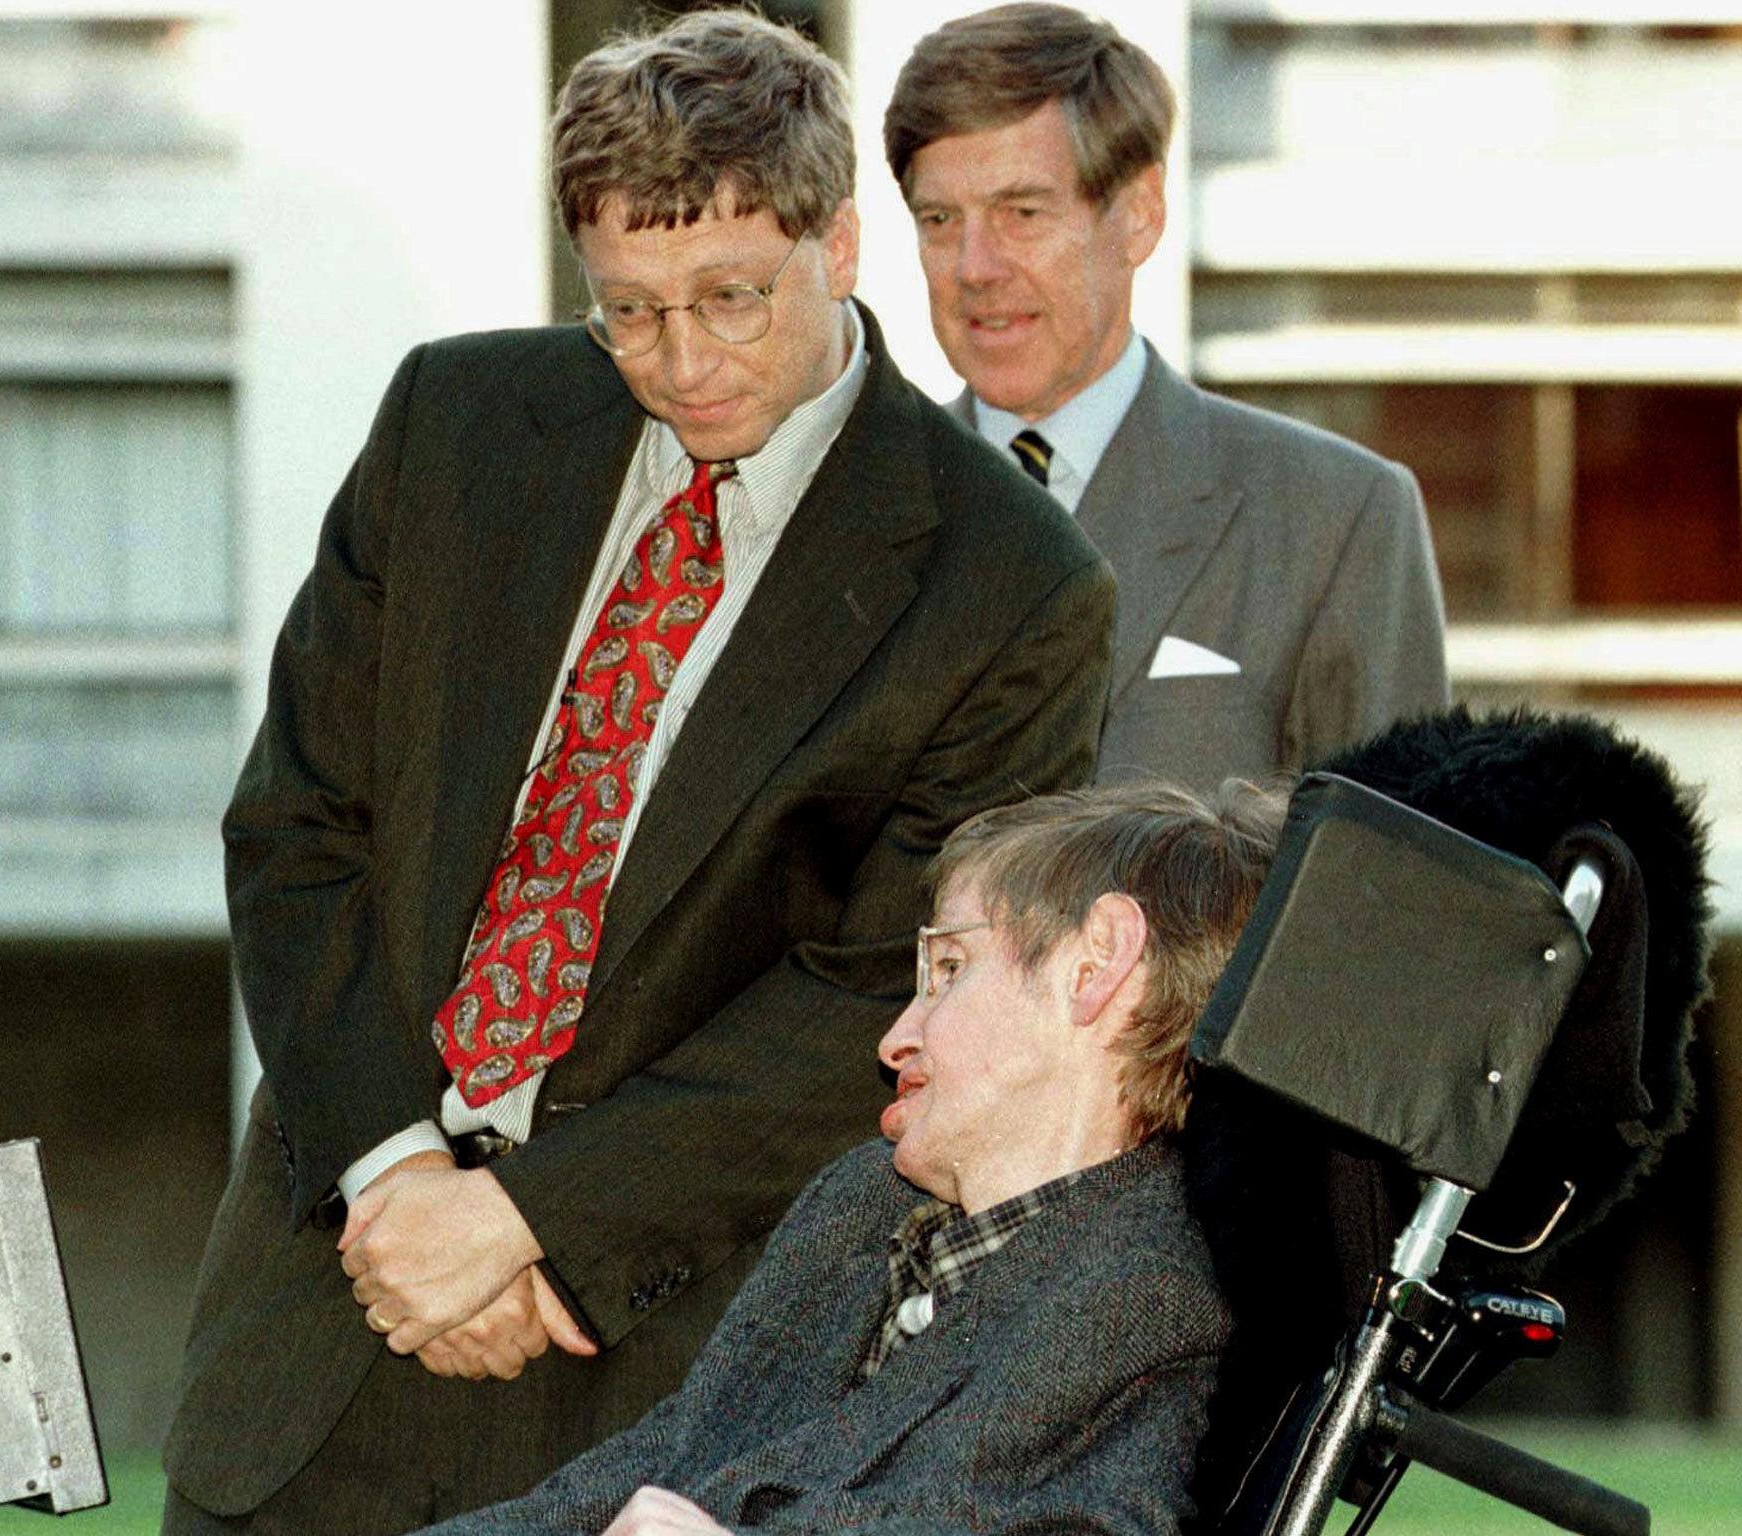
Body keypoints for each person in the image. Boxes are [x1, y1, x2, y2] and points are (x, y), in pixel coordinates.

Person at [161, 11, 1114, 1534]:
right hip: (326, 1317)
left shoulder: (1010, 587)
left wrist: (525, 1223)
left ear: (842, 243)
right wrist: (397, 1177)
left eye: (732, 299)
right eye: (629, 312)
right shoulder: (451, 426)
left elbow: (873, 990)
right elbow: (296, 831)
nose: (683, 362)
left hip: (652, 1375)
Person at [413, 781, 1284, 1536]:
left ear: (1096, 966)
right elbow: (659, 1461)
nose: (895, 1038)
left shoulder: (1156, 1289)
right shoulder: (860, 1209)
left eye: (947, 969)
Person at [884, 3, 1449, 791]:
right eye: (940, 220)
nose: (975, 266)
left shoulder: (1337, 521)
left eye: (1022, 212)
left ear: (1140, 215)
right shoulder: (863, 511)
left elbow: (1387, 886)